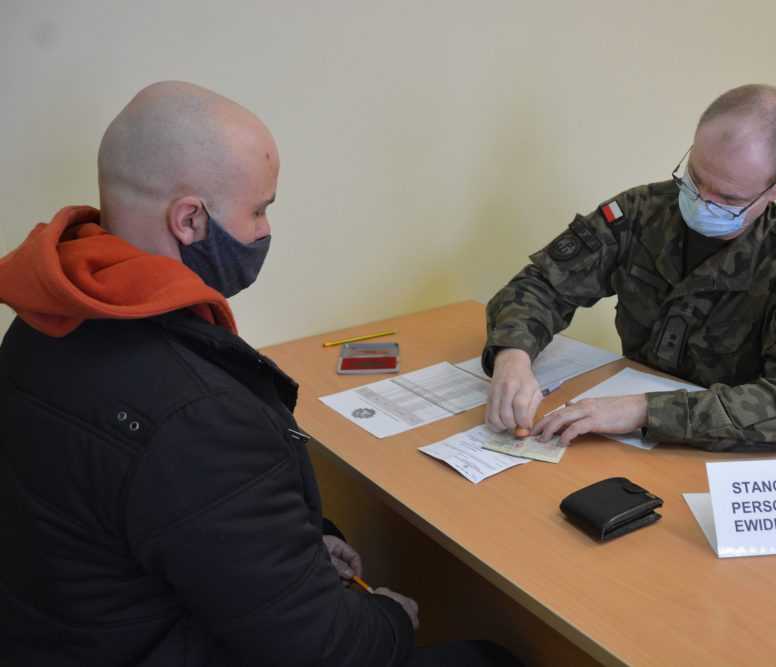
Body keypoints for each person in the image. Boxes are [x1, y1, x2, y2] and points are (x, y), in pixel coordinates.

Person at [0, 81, 517, 667]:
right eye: (259, 210)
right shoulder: (198, 414)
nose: (265, 230)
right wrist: (392, 617)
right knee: (490, 659)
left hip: (74, 630)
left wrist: (298, 543)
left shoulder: (45, 322)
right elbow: (331, 652)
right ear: (189, 220)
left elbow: (177, 510)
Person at [482, 84, 776, 452]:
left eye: (727, 198)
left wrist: (646, 412)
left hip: (722, 453)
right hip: (622, 439)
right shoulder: (641, 212)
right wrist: (513, 354)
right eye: (696, 178)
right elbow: (542, 285)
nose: (701, 201)